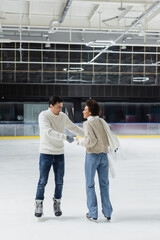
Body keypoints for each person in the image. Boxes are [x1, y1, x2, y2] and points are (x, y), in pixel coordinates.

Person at [35, 96, 84, 218]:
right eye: (58, 107)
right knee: (42, 181)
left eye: (61, 107)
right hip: (46, 153)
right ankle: (38, 204)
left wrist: (88, 134)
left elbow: (73, 127)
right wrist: (66, 137)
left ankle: (57, 203)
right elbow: (48, 132)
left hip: (59, 154)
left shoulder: (62, 116)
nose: (61, 109)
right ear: (51, 106)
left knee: (59, 182)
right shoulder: (43, 116)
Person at [78, 99, 119, 222]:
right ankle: (107, 212)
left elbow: (91, 141)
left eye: (85, 109)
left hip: (92, 157)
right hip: (104, 157)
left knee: (90, 185)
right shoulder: (101, 121)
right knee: (104, 185)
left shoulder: (88, 123)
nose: (83, 111)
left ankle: (93, 213)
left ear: (90, 112)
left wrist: (79, 141)